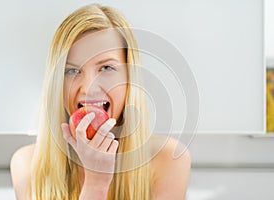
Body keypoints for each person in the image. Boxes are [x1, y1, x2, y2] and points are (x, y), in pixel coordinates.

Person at [10, 3, 190, 200]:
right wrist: (96, 184)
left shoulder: (169, 159)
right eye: (71, 70)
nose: (88, 88)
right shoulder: (28, 165)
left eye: (106, 68)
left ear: (129, 77)